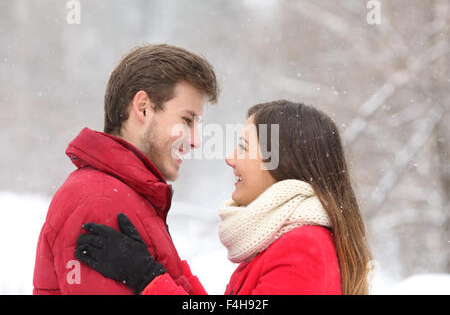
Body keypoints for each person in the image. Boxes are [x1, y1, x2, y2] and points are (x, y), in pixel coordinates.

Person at [75, 100, 373, 295]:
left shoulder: (303, 247)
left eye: (244, 147)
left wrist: (147, 278)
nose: (230, 159)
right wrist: (161, 264)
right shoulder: (287, 240)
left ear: (282, 162)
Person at [32, 44, 219, 294]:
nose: (196, 140)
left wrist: (151, 277)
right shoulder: (101, 202)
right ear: (143, 107)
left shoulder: (131, 198)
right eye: (186, 120)